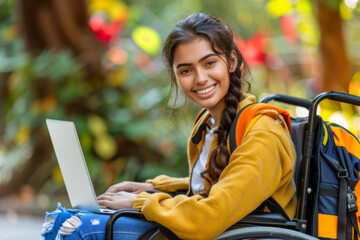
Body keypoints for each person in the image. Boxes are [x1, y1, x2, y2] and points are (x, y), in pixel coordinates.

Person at [41, 13, 297, 240]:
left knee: (78, 227)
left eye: (209, 63)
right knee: (63, 218)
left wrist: (141, 202)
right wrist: (151, 188)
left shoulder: (263, 133)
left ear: (231, 62)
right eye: (186, 70)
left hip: (232, 233)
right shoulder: (207, 124)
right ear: (175, 75)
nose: (200, 78)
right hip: (212, 229)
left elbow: (212, 214)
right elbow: (214, 187)